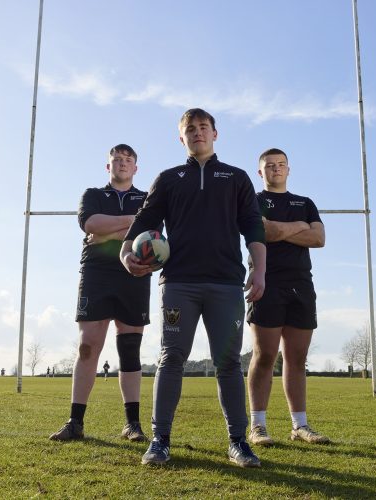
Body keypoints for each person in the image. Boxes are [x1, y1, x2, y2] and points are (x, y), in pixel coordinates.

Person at [120, 109, 266, 467]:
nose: (197, 133)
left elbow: (253, 229)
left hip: (225, 284)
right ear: (180, 138)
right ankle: (159, 441)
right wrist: (126, 252)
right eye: (190, 129)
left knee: (228, 362)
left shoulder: (236, 178)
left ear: (216, 133)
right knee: (171, 358)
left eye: (204, 127)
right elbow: (144, 222)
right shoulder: (169, 179)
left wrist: (259, 269)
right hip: (179, 284)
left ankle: (238, 442)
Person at [49, 144, 154, 443]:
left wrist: (107, 232)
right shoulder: (92, 195)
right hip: (96, 274)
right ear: (108, 167)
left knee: (130, 348)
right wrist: (133, 221)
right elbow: (90, 224)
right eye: (116, 160)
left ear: (136, 167)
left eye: (128, 160)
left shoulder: (147, 198)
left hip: (134, 272)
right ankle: (75, 422)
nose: (122, 164)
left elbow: (151, 233)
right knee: (87, 346)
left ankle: (132, 424)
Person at [246, 148, 329, 446]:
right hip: (266, 283)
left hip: (301, 285)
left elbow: (318, 238)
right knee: (265, 355)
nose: (276, 169)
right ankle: (258, 425)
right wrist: (298, 228)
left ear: (289, 169)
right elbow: (262, 231)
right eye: (270, 166)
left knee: (296, 358)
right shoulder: (254, 201)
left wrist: (281, 230)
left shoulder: (304, 203)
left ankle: (300, 426)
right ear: (261, 172)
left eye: (281, 165)